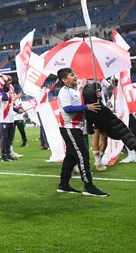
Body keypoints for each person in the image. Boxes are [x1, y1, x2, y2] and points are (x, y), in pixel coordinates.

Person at [56, 68, 109, 197]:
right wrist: (87, 107)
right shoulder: (64, 92)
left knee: (71, 157)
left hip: (77, 127)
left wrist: (94, 97)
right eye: (72, 75)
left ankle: (63, 185)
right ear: (64, 80)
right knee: (82, 155)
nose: (75, 76)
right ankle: (88, 186)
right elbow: (68, 109)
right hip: (70, 127)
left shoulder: (75, 91)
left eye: (75, 74)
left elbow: (82, 103)